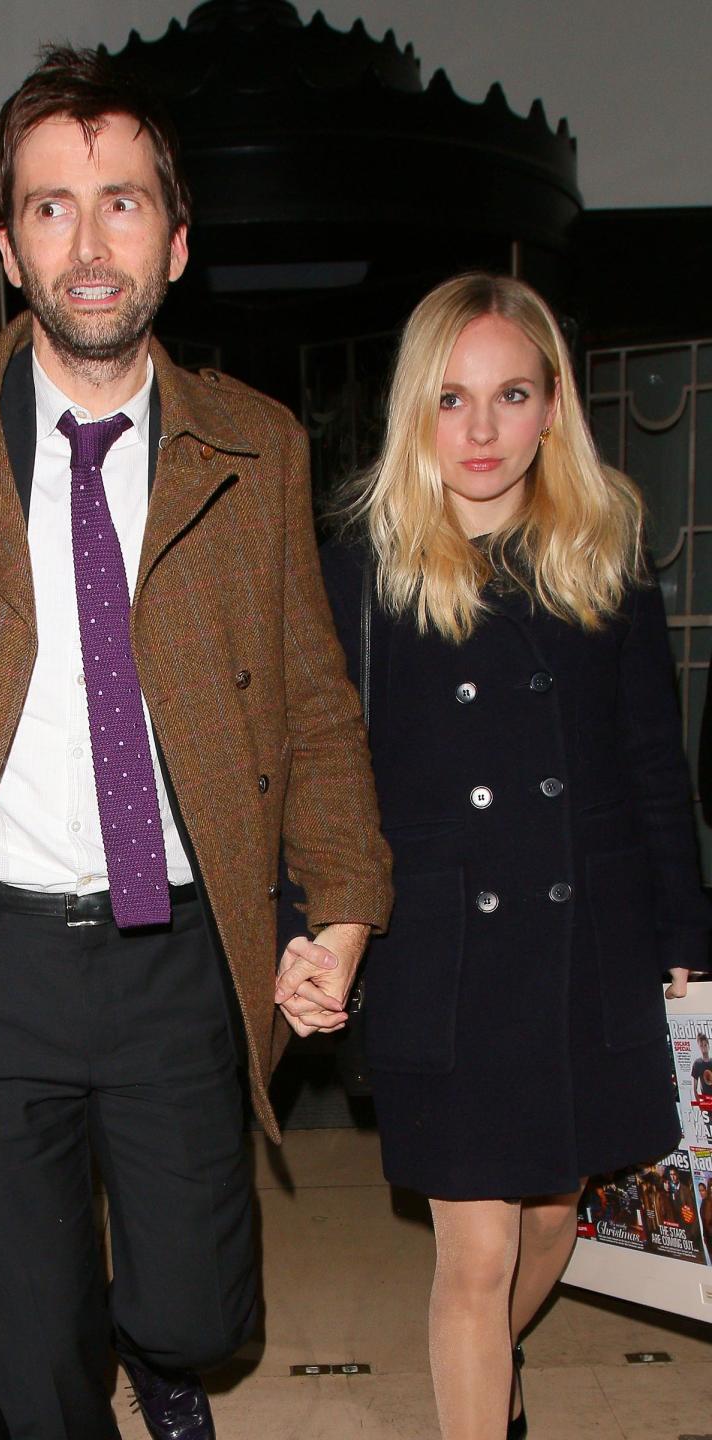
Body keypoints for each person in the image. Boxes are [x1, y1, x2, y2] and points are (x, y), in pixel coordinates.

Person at [0, 46, 392, 1440]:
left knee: (195, 1308)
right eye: (53, 207)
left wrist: (349, 904)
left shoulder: (253, 448)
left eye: (122, 202)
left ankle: (163, 1357)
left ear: (176, 243)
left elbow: (314, 701)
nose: (88, 239)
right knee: (30, 1359)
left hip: (177, 947)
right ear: (10, 248)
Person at [320, 272, 708, 1440]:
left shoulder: (605, 549)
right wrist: (313, 918)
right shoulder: (364, 563)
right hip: (445, 944)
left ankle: (497, 1370)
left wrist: (688, 937)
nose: (480, 432)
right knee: (476, 1250)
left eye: (510, 395)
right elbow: (324, 769)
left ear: (553, 409)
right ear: (413, 411)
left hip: (589, 932)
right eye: (450, 398)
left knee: (552, 1225)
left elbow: (652, 758)